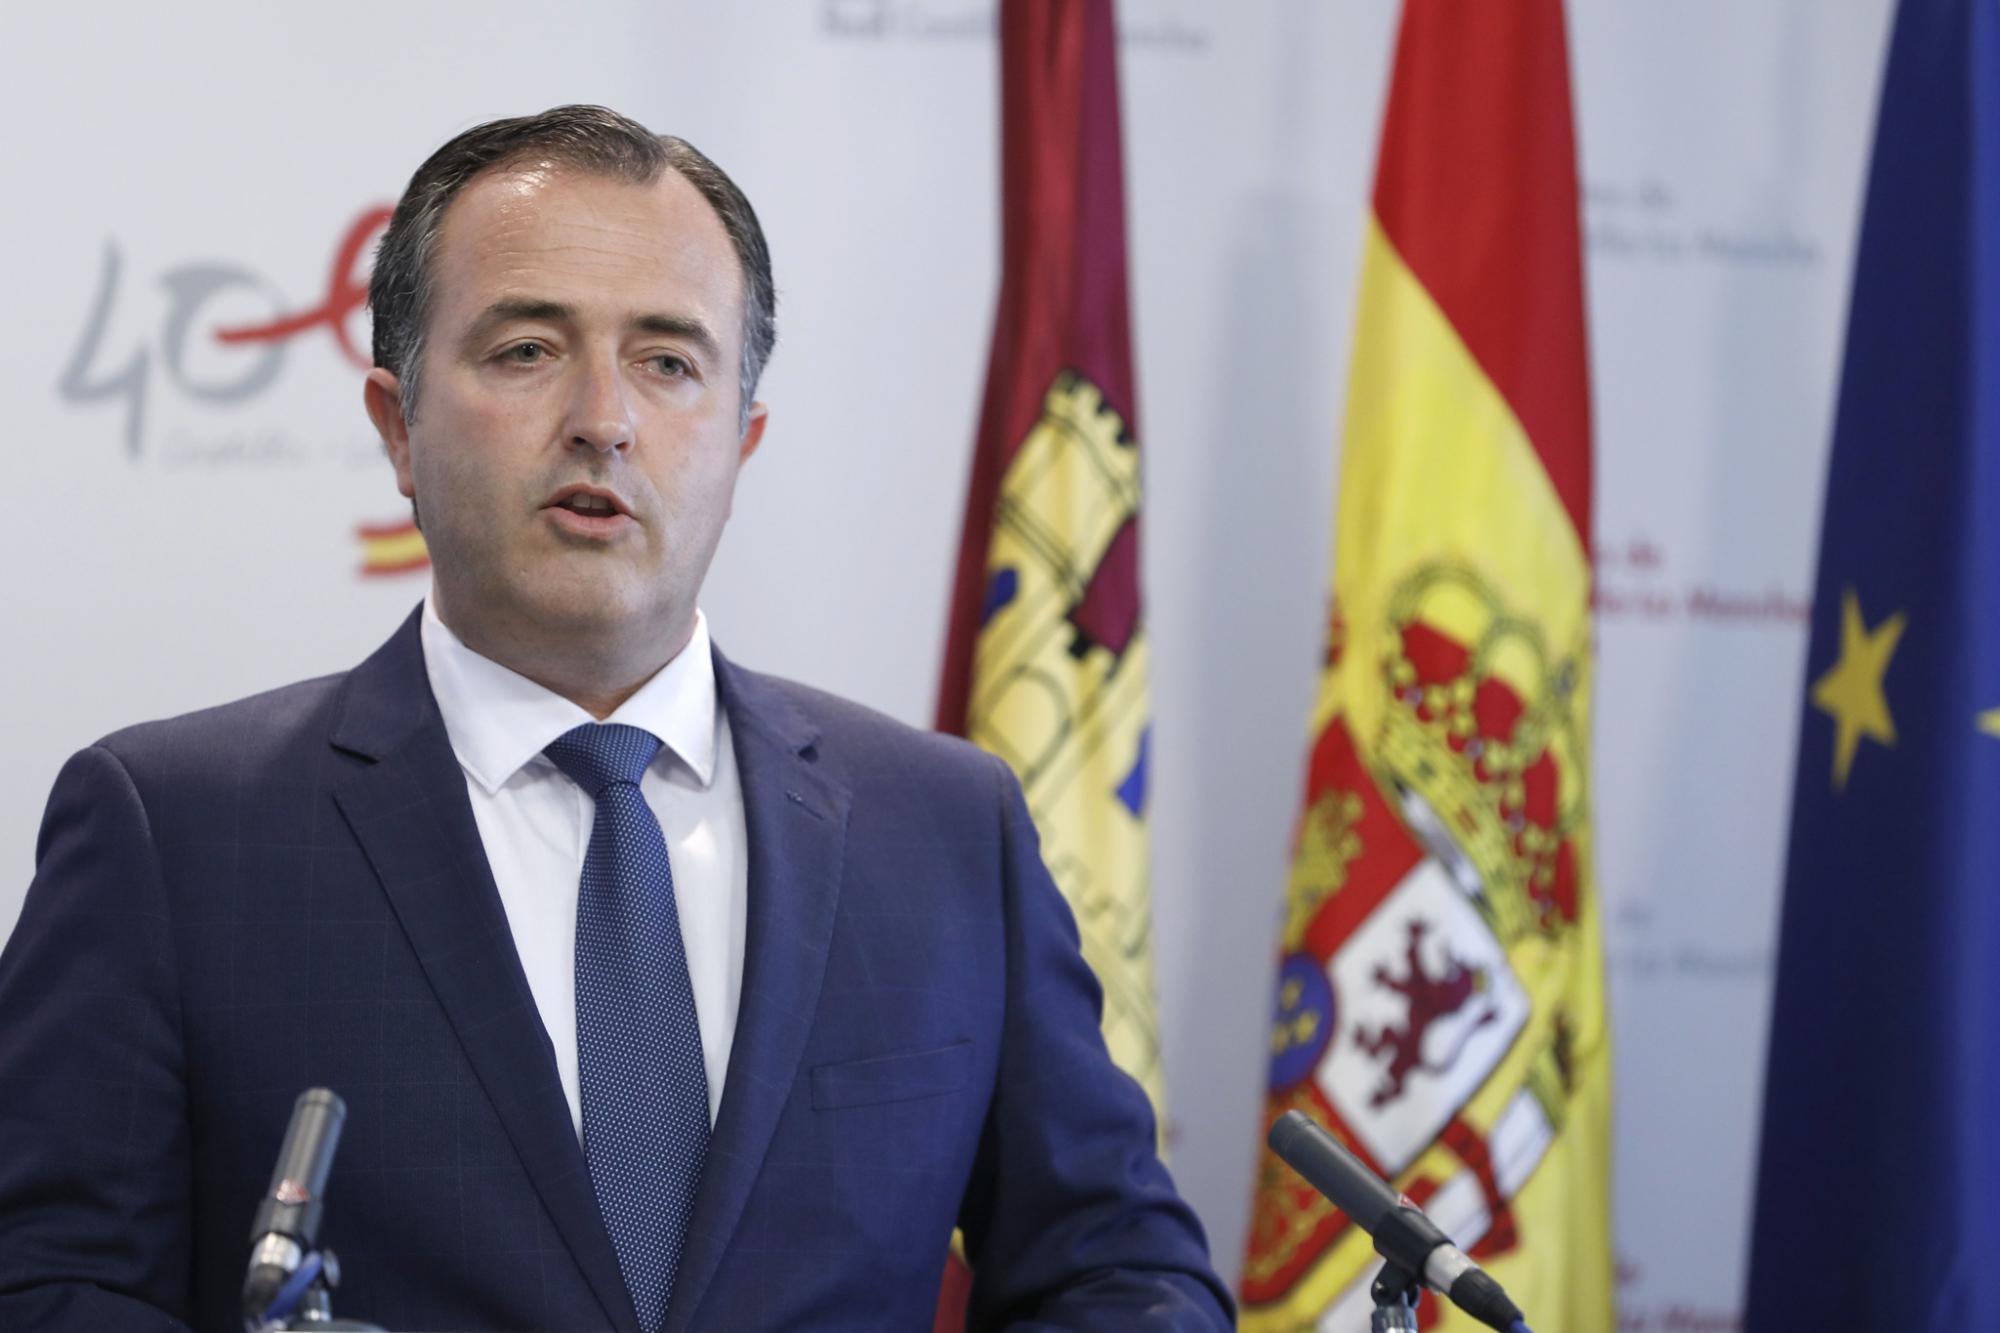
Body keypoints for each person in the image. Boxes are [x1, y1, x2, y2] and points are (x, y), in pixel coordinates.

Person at [0, 106, 1231, 1332]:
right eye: (527, 350)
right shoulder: (177, 833)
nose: (603, 417)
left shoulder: (945, 831)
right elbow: (45, 1284)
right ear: (398, 428)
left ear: (742, 443)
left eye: (668, 361)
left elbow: (1123, 1274)